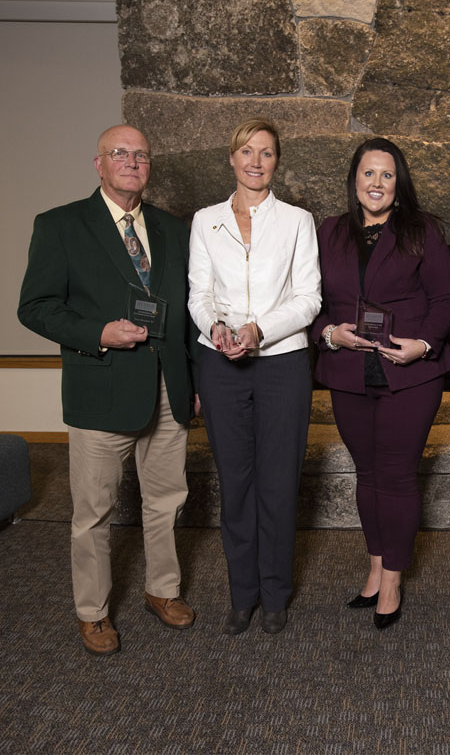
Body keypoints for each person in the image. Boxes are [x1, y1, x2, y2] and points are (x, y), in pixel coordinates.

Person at [18, 124, 198, 656]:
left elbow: (185, 311)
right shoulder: (60, 226)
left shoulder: (170, 228)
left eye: (141, 154)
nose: (132, 162)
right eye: (120, 153)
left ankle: (162, 591)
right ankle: (92, 612)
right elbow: (35, 307)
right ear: (98, 163)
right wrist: (97, 333)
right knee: (93, 511)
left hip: (167, 387)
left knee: (166, 501)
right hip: (101, 391)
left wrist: (190, 379)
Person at [311, 138, 450, 630]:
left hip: (409, 371)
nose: (377, 183)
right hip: (350, 371)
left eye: (387, 175)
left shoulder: (423, 230)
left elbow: (443, 301)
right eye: (368, 174)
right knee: (367, 474)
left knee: (395, 475)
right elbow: (310, 301)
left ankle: (393, 578)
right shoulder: (328, 231)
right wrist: (328, 334)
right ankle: (374, 568)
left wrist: (426, 345)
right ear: (354, 180)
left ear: (400, 184)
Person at [188, 118, 321, 636]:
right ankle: (242, 594)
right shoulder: (206, 220)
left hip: (282, 364)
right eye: (247, 151)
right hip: (221, 366)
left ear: (276, 162)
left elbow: (309, 298)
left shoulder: (296, 221)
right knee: (236, 483)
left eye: (266, 153)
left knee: (279, 482)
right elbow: (198, 293)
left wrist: (259, 329)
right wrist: (218, 327)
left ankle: (275, 594)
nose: (256, 161)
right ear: (232, 158)